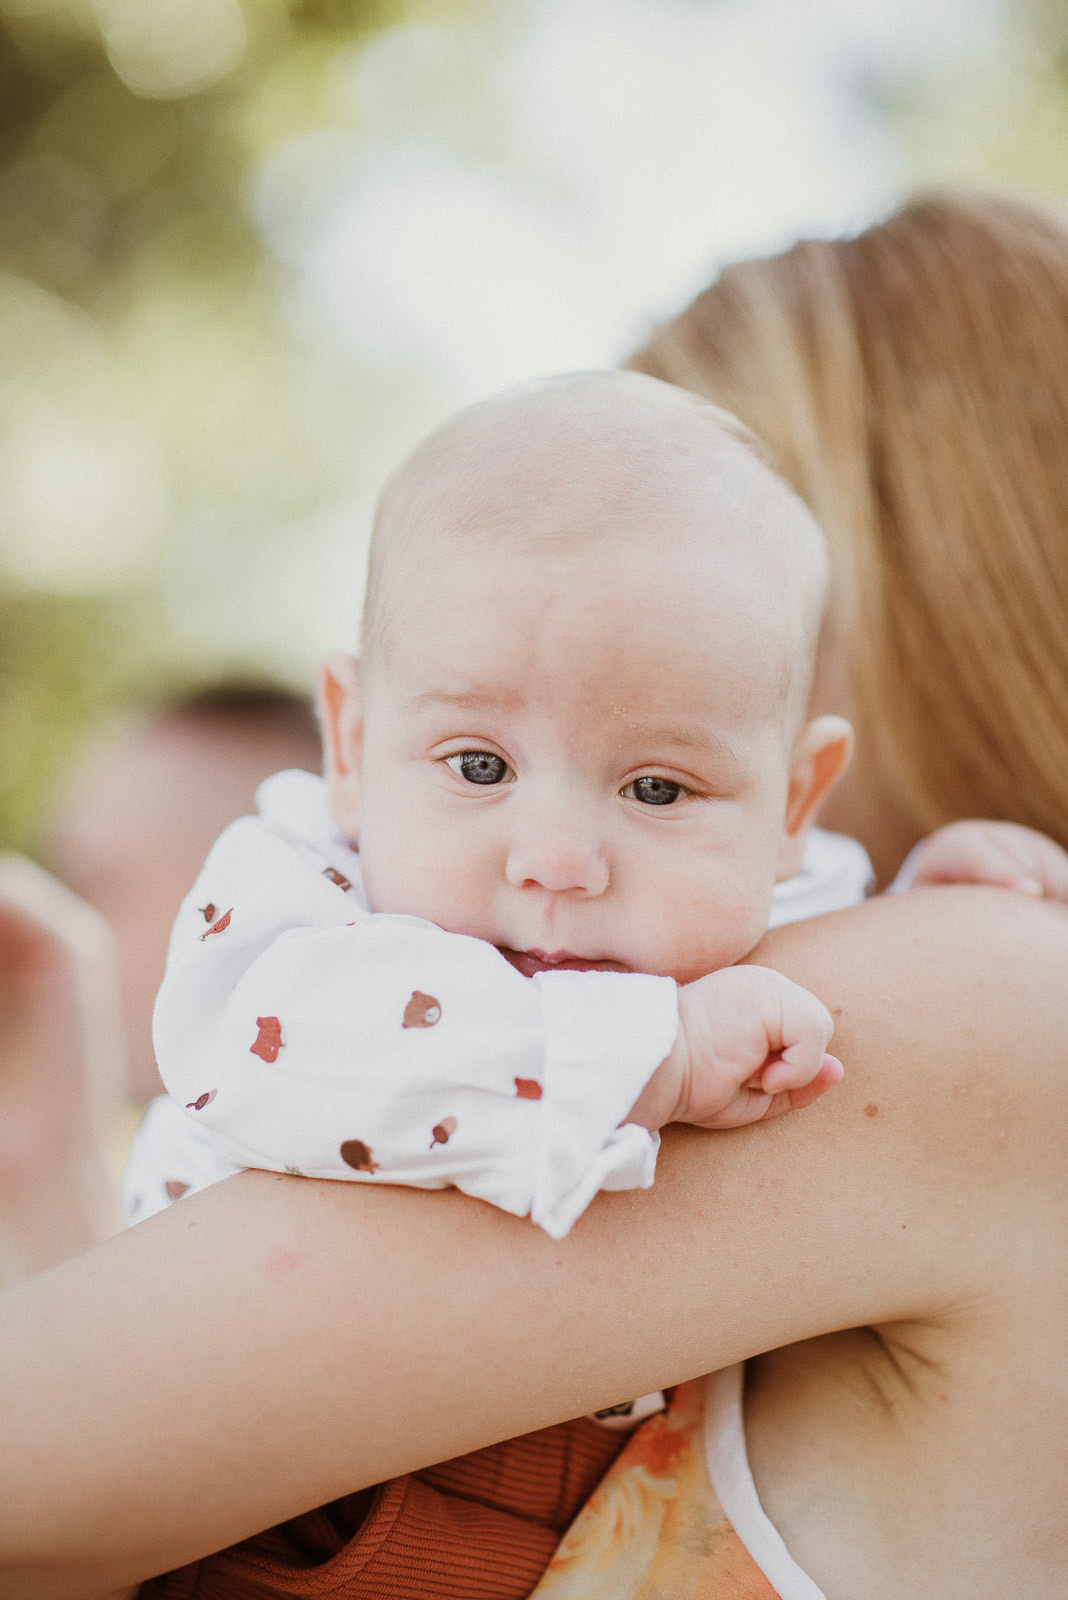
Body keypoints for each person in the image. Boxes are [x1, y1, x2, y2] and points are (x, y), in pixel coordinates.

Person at [0, 193, 1065, 1599]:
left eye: (655, 777)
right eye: (484, 761)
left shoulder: (970, 994)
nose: (554, 857)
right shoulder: (947, 986)